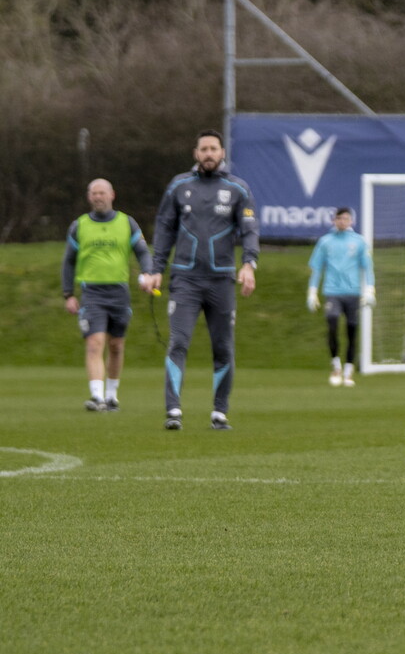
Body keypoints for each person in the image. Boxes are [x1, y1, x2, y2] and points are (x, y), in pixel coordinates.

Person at [141, 131, 259, 431]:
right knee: (178, 342)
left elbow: (249, 230)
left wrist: (248, 264)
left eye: (213, 148)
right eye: (203, 149)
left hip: (221, 280)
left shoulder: (238, 189)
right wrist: (156, 268)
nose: (208, 153)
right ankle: (174, 411)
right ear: (196, 153)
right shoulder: (179, 186)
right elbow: (165, 227)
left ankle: (220, 412)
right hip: (185, 279)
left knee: (223, 348)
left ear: (222, 153)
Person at [61, 178, 154, 412]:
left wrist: (148, 273)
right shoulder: (79, 225)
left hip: (119, 293)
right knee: (95, 343)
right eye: (94, 193)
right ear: (88, 197)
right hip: (92, 292)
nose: (98, 197)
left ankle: (111, 396)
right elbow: (68, 262)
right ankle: (97, 397)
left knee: (116, 345)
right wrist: (68, 294)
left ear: (112, 195)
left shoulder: (127, 223)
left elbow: (142, 252)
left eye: (102, 193)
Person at [307, 207, 376, 387]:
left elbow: (367, 267)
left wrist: (370, 289)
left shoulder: (359, 241)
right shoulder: (325, 242)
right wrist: (312, 291)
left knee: (352, 331)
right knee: (332, 321)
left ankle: (348, 370)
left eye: (346, 218)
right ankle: (335, 365)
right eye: (339, 218)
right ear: (334, 220)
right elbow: (317, 268)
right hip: (332, 291)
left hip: (353, 293)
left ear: (351, 221)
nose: (342, 222)